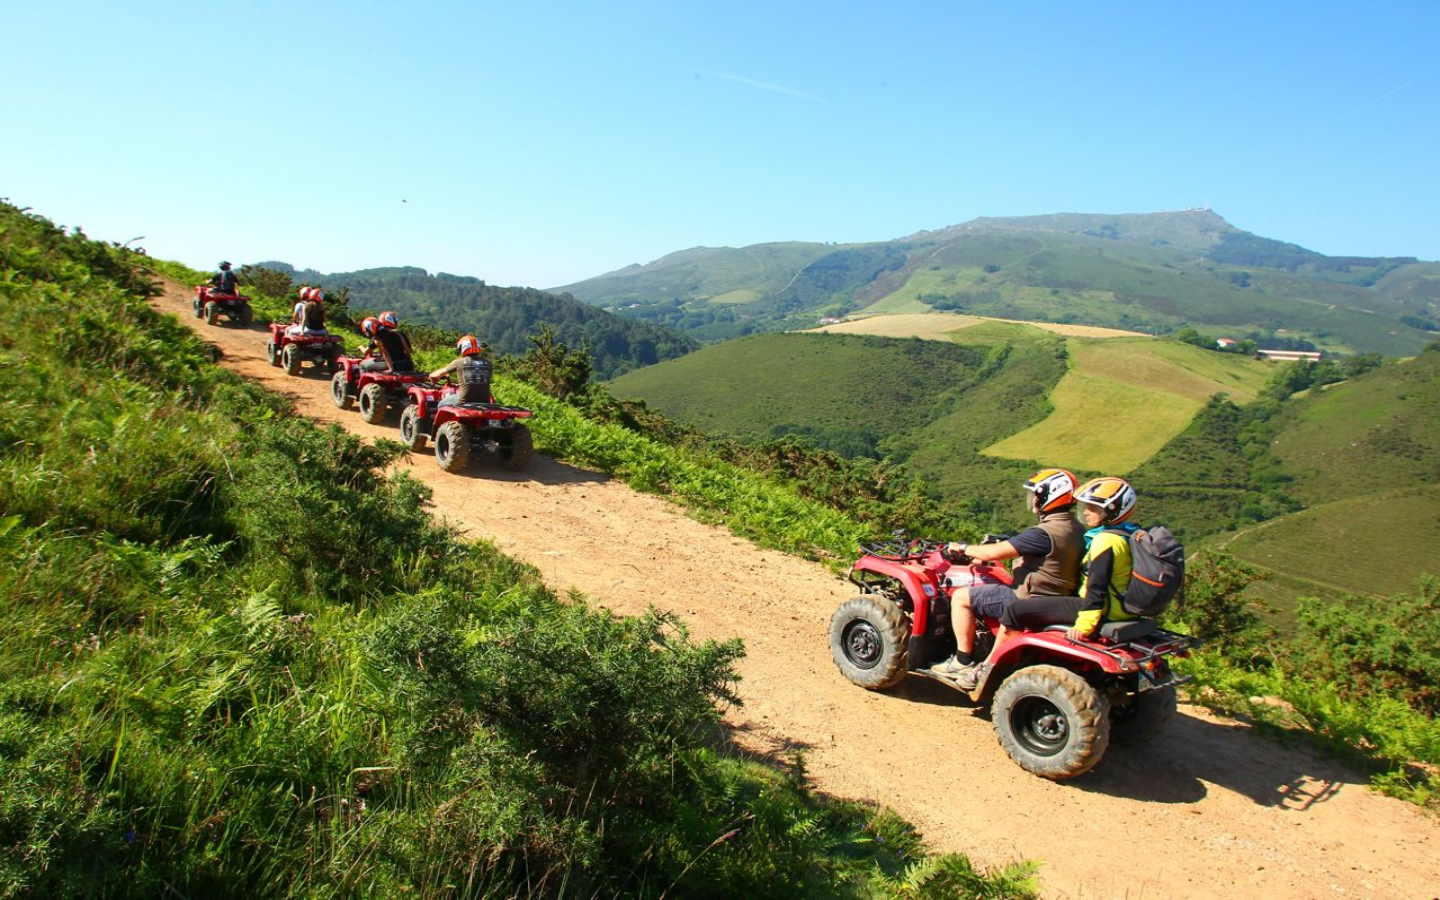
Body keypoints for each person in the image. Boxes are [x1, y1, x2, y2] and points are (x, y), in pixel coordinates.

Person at [929, 468, 1084, 689]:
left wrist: (962, 547)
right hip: (1057, 598)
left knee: (962, 597)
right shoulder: (1075, 528)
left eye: (1035, 494)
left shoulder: (1043, 533)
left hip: (1027, 598)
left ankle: (962, 661)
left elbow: (990, 554)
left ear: (1048, 496)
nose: (1032, 500)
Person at [1066, 476, 1141, 643]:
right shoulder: (1130, 533)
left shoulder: (1104, 540)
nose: (1085, 512)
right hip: (1124, 609)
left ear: (1112, 510)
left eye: (1093, 508)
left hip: (1107, 612)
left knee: (1016, 610)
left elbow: (1096, 587)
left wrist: (1084, 626)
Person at [428, 335, 493, 407]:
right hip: (485, 402)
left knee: (440, 404)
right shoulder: (488, 364)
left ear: (463, 348)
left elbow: (434, 375)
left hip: (464, 402)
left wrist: (433, 378)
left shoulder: (459, 362)